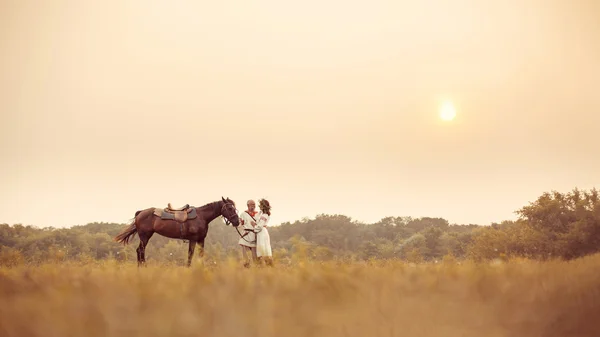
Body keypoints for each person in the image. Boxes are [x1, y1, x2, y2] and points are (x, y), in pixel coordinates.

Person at [238, 199, 259, 267]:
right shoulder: (243, 214)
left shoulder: (257, 214)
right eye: (251, 205)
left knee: (255, 256)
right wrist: (242, 230)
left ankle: (256, 269)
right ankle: (247, 268)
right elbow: (240, 224)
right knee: (246, 256)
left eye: (254, 205)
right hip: (246, 235)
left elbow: (260, 225)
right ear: (248, 205)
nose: (253, 206)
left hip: (254, 235)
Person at [255, 199, 273, 266]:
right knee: (263, 248)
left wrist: (254, 227)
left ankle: (265, 264)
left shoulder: (265, 215)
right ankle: (263, 264)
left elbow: (260, 226)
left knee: (263, 248)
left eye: (260, 205)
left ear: (263, 206)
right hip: (261, 232)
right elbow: (256, 218)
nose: (259, 206)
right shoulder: (261, 214)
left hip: (262, 232)